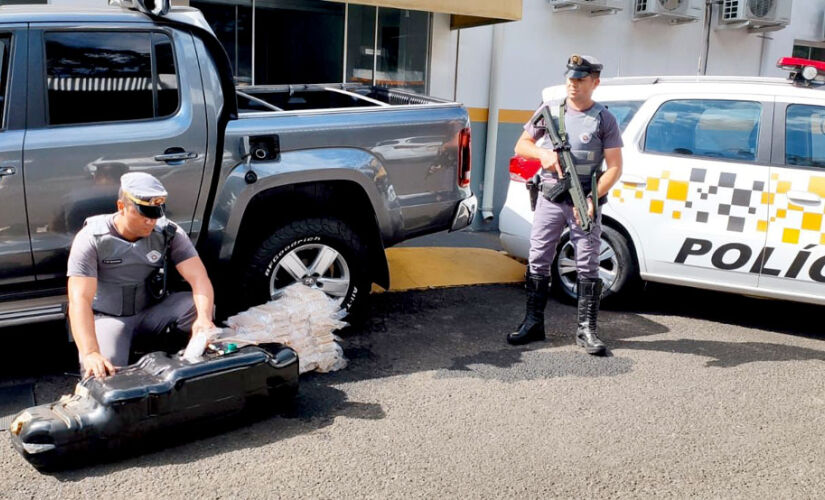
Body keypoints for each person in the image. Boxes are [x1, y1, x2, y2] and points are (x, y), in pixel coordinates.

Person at [507, 54, 623, 355]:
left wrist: (592, 198)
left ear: (594, 82)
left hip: (583, 198)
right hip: (550, 196)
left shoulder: (604, 119)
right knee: (538, 257)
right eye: (570, 79)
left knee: (588, 263)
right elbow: (521, 145)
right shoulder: (550, 111)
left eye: (581, 79)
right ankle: (533, 322)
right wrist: (542, 155)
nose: (573, 84)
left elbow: (614, 168)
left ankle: (586, 330)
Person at [67, 172, 216, 377]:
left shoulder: (168, 232)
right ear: (121, 206)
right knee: (102, 373)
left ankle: (182, 362)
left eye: (155, 214)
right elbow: (79, 300)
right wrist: (91, 352)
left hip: (150, 312)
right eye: (144, 213)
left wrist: (204, 319)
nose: (151, 221)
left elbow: (199, 278)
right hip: (109, 319)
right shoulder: (91, 238)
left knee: (197, 307)